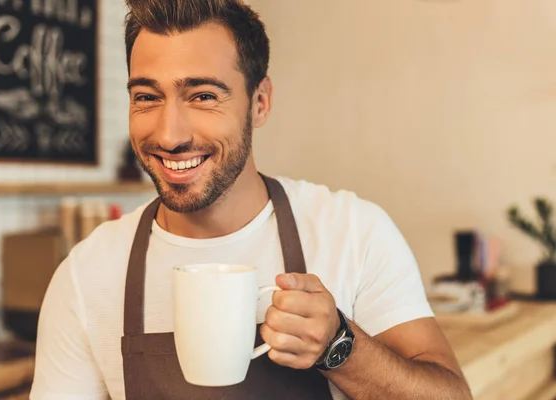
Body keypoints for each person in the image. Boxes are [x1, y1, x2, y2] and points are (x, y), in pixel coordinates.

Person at [30, 0, 472, 399]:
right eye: (147, 97)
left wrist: (342, 347)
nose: (169, 135)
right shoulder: (85, 276)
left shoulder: (354, 233)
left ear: (259, 103)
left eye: (203, 96)